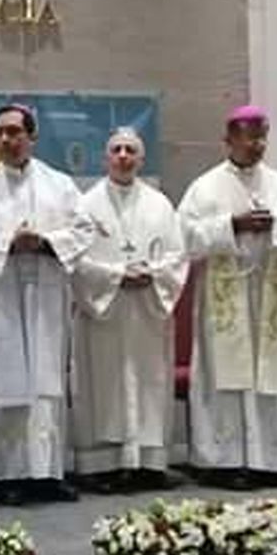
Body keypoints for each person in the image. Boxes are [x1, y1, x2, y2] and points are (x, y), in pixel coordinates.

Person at [176, 106, 277, 490]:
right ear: (229, 139)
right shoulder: (204, 187)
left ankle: (272, 461)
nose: (257, 144)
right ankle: (224, 463)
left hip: (270, 293)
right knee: (224, 379)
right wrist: (232, 225)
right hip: (225, 296)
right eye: (249, 136)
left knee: (272, 377)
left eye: (262, 136)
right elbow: (182, 238)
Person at [0, 103, 88, 504]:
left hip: (45, 294)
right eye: (0, 132)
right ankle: (3, 474)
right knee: (3, 380)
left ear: (32, 137)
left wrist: (45, 241)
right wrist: (7, 244)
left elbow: (83, 230)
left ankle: (45, 473)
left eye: (15, 132)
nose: (7, 140)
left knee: (46, 383)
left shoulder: (60, 185)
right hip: (1, 296)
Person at [69, 128, 189, 492]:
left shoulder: (160, 205)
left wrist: (152, 274)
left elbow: (177, 255)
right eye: (116, 150)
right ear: (105, 158)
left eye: (131, 150)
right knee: (102, 384)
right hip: (105, 312)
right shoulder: (86, 206)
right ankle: (101, 466)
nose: (123, 156)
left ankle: (149, 464)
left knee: (150, 383)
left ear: (141, 159)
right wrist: (117, 275)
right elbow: (76, 259)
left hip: (147, 311)